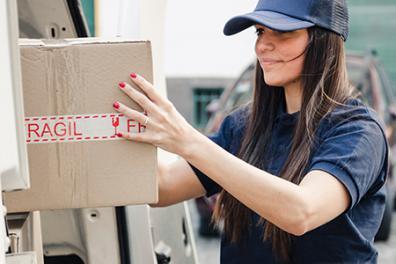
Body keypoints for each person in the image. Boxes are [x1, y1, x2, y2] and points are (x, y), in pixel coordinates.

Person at [113, 0, 389, 263]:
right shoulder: (243, 126)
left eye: (282, 32)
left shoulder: (358, 131)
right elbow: (162, 188)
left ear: (323, 39)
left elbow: (301, 212)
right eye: (260, 31)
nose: (263, 45)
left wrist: (188, 141)